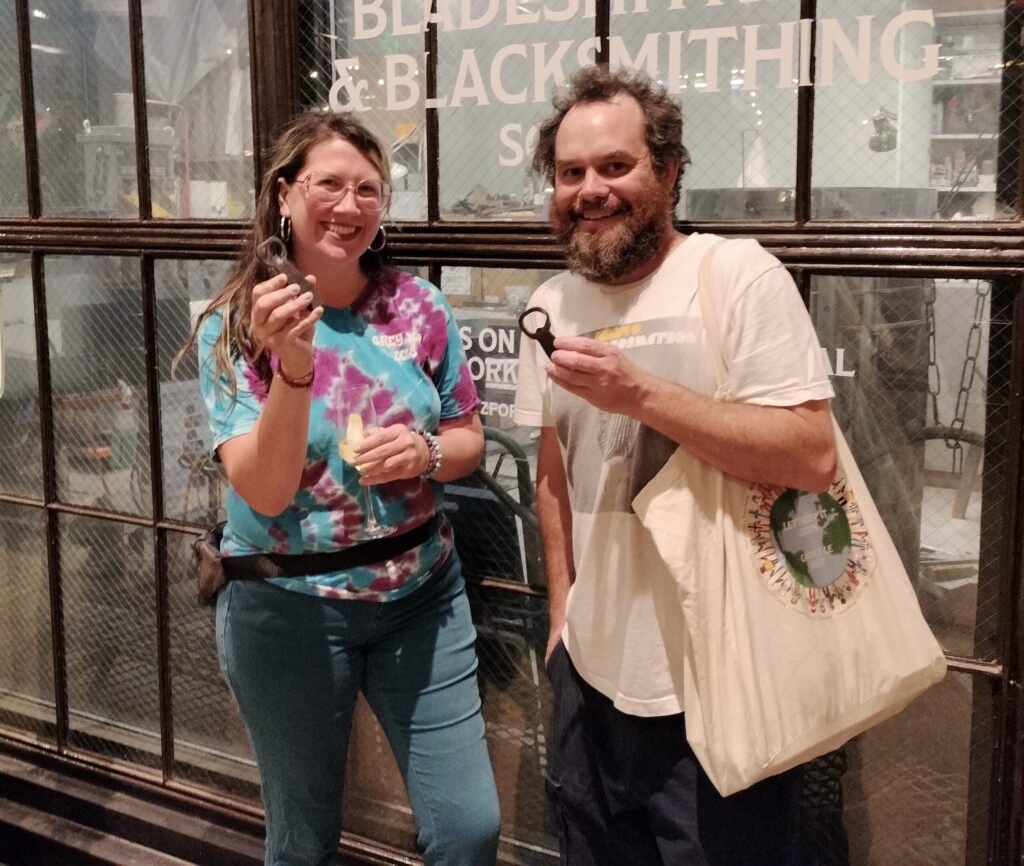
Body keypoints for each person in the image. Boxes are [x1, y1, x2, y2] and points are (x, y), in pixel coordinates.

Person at [514, 65, 838, 864]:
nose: (592, 189)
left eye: (616, 166)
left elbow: (811, 454)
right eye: (570, 172)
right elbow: (551, 464)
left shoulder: (735, 276)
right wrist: (562, 611)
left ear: (668, 170)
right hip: (589, 673)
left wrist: (643, 395)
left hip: (721, 675)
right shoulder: (551, 302)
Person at [180, 111, 501, 866]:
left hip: (422, 593)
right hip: (287, 608)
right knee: (304, 838)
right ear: (286, 195)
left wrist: (424, 450)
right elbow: (262, 488)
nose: (350, 206)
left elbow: (468, 442)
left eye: (369, 189)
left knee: (469, 826)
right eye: (330, 184)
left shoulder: (418, 307)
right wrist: (294, 363)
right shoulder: (234, 324)